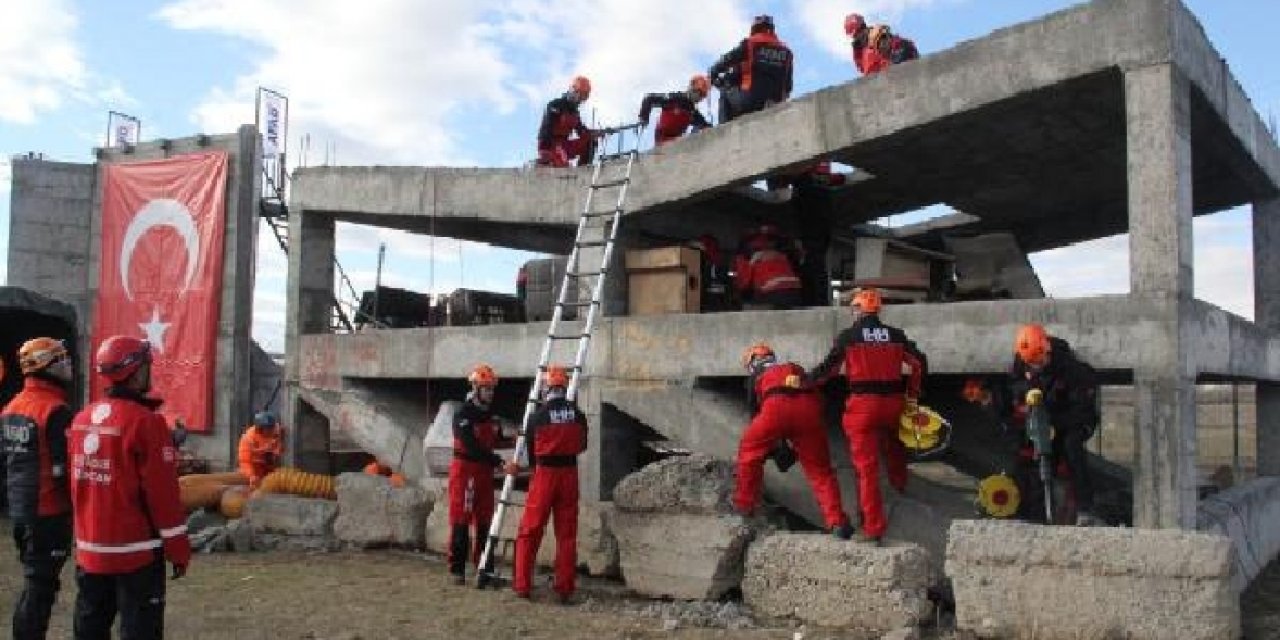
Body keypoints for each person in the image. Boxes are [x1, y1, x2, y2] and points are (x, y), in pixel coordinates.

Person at [69, 336, 190, 640]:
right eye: (147, 365)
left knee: (90, 628)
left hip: (90, 551)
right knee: (140, 630)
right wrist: (178, 549)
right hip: (136, 555)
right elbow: (163, 497)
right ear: (135, 371)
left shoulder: (82, 419)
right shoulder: (147, 423)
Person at [808, 288, 926, 544]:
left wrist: (805, 383)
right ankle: (899, 486)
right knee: (896, 447)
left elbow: (826, 371)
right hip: (894, 403)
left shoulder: (848, 337)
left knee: (866, 469)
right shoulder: (896, 335)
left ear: (860, 310)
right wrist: (912, 394)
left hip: (862, 407)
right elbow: (919, 363)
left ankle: (872, 528)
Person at [735, 343, 853, 538]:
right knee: (820, 472)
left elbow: (756, 415)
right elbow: (816, 396)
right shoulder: (793, 368)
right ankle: (837, 523)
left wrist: (775, 447)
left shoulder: (756, 376)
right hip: (809, 411)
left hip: (775, 409)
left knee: (748, 455)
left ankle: (744, 507)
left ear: (751, 362)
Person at [2, 338, 75, 639]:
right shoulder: (55, 410)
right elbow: (65, 470)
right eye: (62, 359)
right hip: (49, 512)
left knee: (37, 581)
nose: (68, 364)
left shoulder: (12, 408)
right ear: (47, 365)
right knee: (41, 586)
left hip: (21, 510)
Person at [1003, 324, 1101, 525]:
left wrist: (1056, 424)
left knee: (1071, 447)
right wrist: (1026, 395)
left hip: (1074, 417)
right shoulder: (1023, 363)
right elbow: (1014, 386)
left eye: (1039, 362)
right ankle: (1033, 513)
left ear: (1047, 350)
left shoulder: (1070, 368)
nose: (1036, 366)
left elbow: (1081, 407)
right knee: (1031, 455)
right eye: (1031, 364)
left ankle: (1085, 508)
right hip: (1042, 416)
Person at [508, 365, 588, 603]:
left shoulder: (537, 416)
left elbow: (530, 452)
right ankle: (564, 588)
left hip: (544, 474)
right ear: (565, 387)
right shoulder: (578, 414)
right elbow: (583, 445)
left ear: (545, 388)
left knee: (530, 530)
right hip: (569, 474)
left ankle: (522, 585)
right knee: (566, 534)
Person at [448, 364, 505, 585]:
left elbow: (495, 439)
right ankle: (457, 570)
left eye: (491, 389)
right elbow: (471, 445)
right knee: (461, 519)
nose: (490, 393)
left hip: (484, 473)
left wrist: (513, 438)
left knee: (485, 520)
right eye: (486, 388)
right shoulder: (463, 414)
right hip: (465, 471)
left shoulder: (491, 415)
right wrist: (498, 461)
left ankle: (484, 568)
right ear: (476, 388)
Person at [707, 15, 793, 123]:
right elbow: (788, 87)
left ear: (754, 29)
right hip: (774, 104)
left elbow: (726, 61)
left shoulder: (750, 44)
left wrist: (713, 72)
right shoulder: (787, 53)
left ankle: (724, 132)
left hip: (750, 102)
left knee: (725, 92)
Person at [732, 224, 803, 309]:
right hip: (794, 292)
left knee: (749, 308)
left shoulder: (752, 259)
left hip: (772, 294)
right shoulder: (781, 255)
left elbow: (744, 284)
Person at [536, 76, 598, 168]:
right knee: (562, 163)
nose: (580, 101)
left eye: (583, 99)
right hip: (549, 146)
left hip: (564, 145)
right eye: (579, 96)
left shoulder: (575, 112)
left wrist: (595, 133)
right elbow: (546, 130)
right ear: (573, 91)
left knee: (590, 141)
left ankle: (583, 169)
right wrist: (546, 152)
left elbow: (581, 131)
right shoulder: (555, 105)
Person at [637, 75, 712, 146]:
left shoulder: (692, 111)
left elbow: (704, 124)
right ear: (692, 89)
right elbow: (649, 98)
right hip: (662, 141)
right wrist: (643, 118)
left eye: (703, 96)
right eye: (700, 94)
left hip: (678, 142)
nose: (700, 99)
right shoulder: (674, 99)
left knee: (700, 128)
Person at [845, 13, 919, 76]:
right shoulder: (860, 54)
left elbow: (902, 52)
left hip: (901, 60)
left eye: (862, 27)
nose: (861, 33)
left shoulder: (876, 35)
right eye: (858, 33)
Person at [237, 411, 284, 488]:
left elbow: (280, 434)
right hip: (255, 466)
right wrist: (251, 475)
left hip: (270, 465)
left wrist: (276, 452)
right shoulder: (248, 439)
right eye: (268, 429)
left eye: (271, 428)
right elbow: (245, 461)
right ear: (260, 429)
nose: (271, 431)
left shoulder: (276, 430)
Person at [691, 234, 734, 312]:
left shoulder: (720, 262)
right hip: (709, 295)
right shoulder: (701, 260)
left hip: (717, 295)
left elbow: (730, 276)